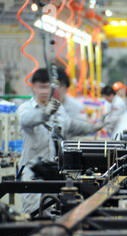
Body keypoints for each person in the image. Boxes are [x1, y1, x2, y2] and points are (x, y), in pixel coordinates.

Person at [17, 68, 104, 214]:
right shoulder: (25, 109)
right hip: (32, 170)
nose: (44, 91)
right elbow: (28, 120)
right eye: (40, 87)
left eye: (47, 87)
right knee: (32, 212)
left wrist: (94, 127)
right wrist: (45, 113)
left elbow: (71, 125)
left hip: (52, 170)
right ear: (33, 87)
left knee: (52, 208)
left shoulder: (58, 109)